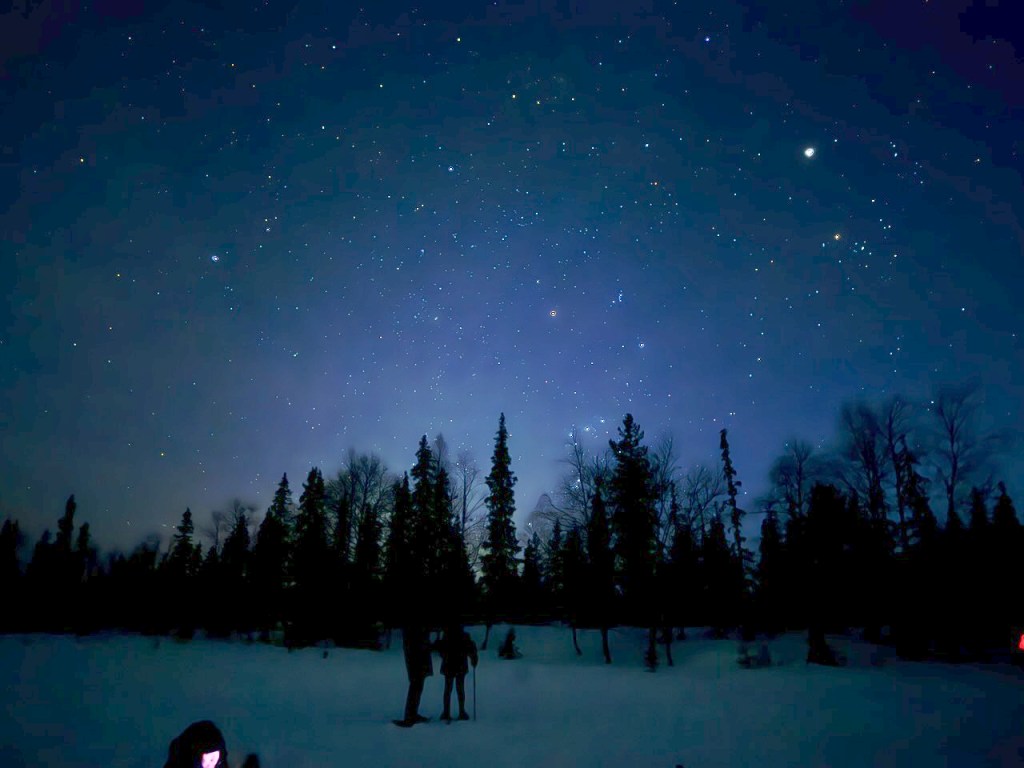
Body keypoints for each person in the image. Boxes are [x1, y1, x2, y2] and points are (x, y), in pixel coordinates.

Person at [437, 624, 478, 722]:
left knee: (448, 689)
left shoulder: (446, 635)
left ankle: (447, 712)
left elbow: (441, 650)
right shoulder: (464, 636)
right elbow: (471, 649)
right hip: (460, 665)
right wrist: (474, 659)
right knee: (460, 689)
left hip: (449, 664)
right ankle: (461, 711)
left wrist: (444, 656)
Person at [396, 624, 433, 727]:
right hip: (416, 657)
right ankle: (410, 715)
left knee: (418, 685)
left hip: (418, 656)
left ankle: (412, 713)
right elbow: (416, 642)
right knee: (415, 685)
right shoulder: (413, 629)